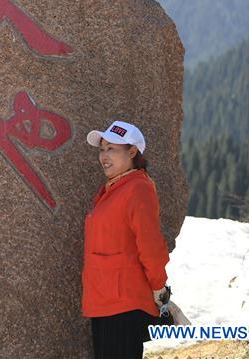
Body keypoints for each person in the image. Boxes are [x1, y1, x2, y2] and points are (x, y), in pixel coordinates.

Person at [81, 120, 170, 359]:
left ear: (132, 152)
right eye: (102, 149)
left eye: (112, 149)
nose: (103, 156)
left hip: (123, 301)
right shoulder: (114, 189)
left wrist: (158, 287)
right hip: (105, 299)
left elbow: (150, 244)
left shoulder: (137, 188)